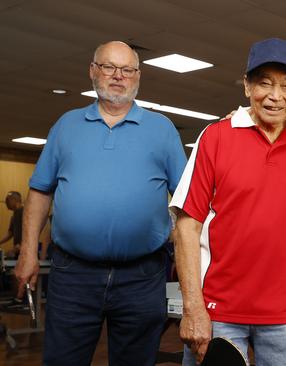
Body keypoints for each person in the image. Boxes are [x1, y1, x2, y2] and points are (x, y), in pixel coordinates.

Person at [14, 41, 187, 365]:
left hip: (143, 275)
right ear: (93, 71)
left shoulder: (162, 130)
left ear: (138, 76)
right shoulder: (66, 126)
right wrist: (27, 252)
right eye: (109, 67)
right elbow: (39, 191)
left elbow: (185, 203)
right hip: (73, 274)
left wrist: (185, 257)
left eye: (127, 70)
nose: (118, 76)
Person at [170, 38, 286, 366]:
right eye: (264, 83)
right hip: (219, 313)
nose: (275, 96)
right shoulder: (215, 136)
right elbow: (187, 226)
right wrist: (193, 308)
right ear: (246, 86)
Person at [0, 191, 23, 258]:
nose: (6, 202)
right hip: (18, 253)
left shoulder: (26, 213)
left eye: (8, 200)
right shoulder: (14, 216)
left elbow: (32, 233)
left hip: (26, 253)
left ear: (14, 200)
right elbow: (10, 233)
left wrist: (20, 246)